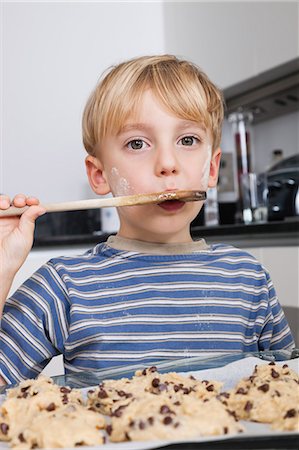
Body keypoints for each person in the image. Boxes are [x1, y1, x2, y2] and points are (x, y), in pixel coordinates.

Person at [0, 55, 294, 385]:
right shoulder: (65, 286)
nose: (167, 164)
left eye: (187, 140)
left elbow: (286, 387)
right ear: (99, 175)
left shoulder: (248, 278)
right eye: (137, 143)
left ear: (211, 169)